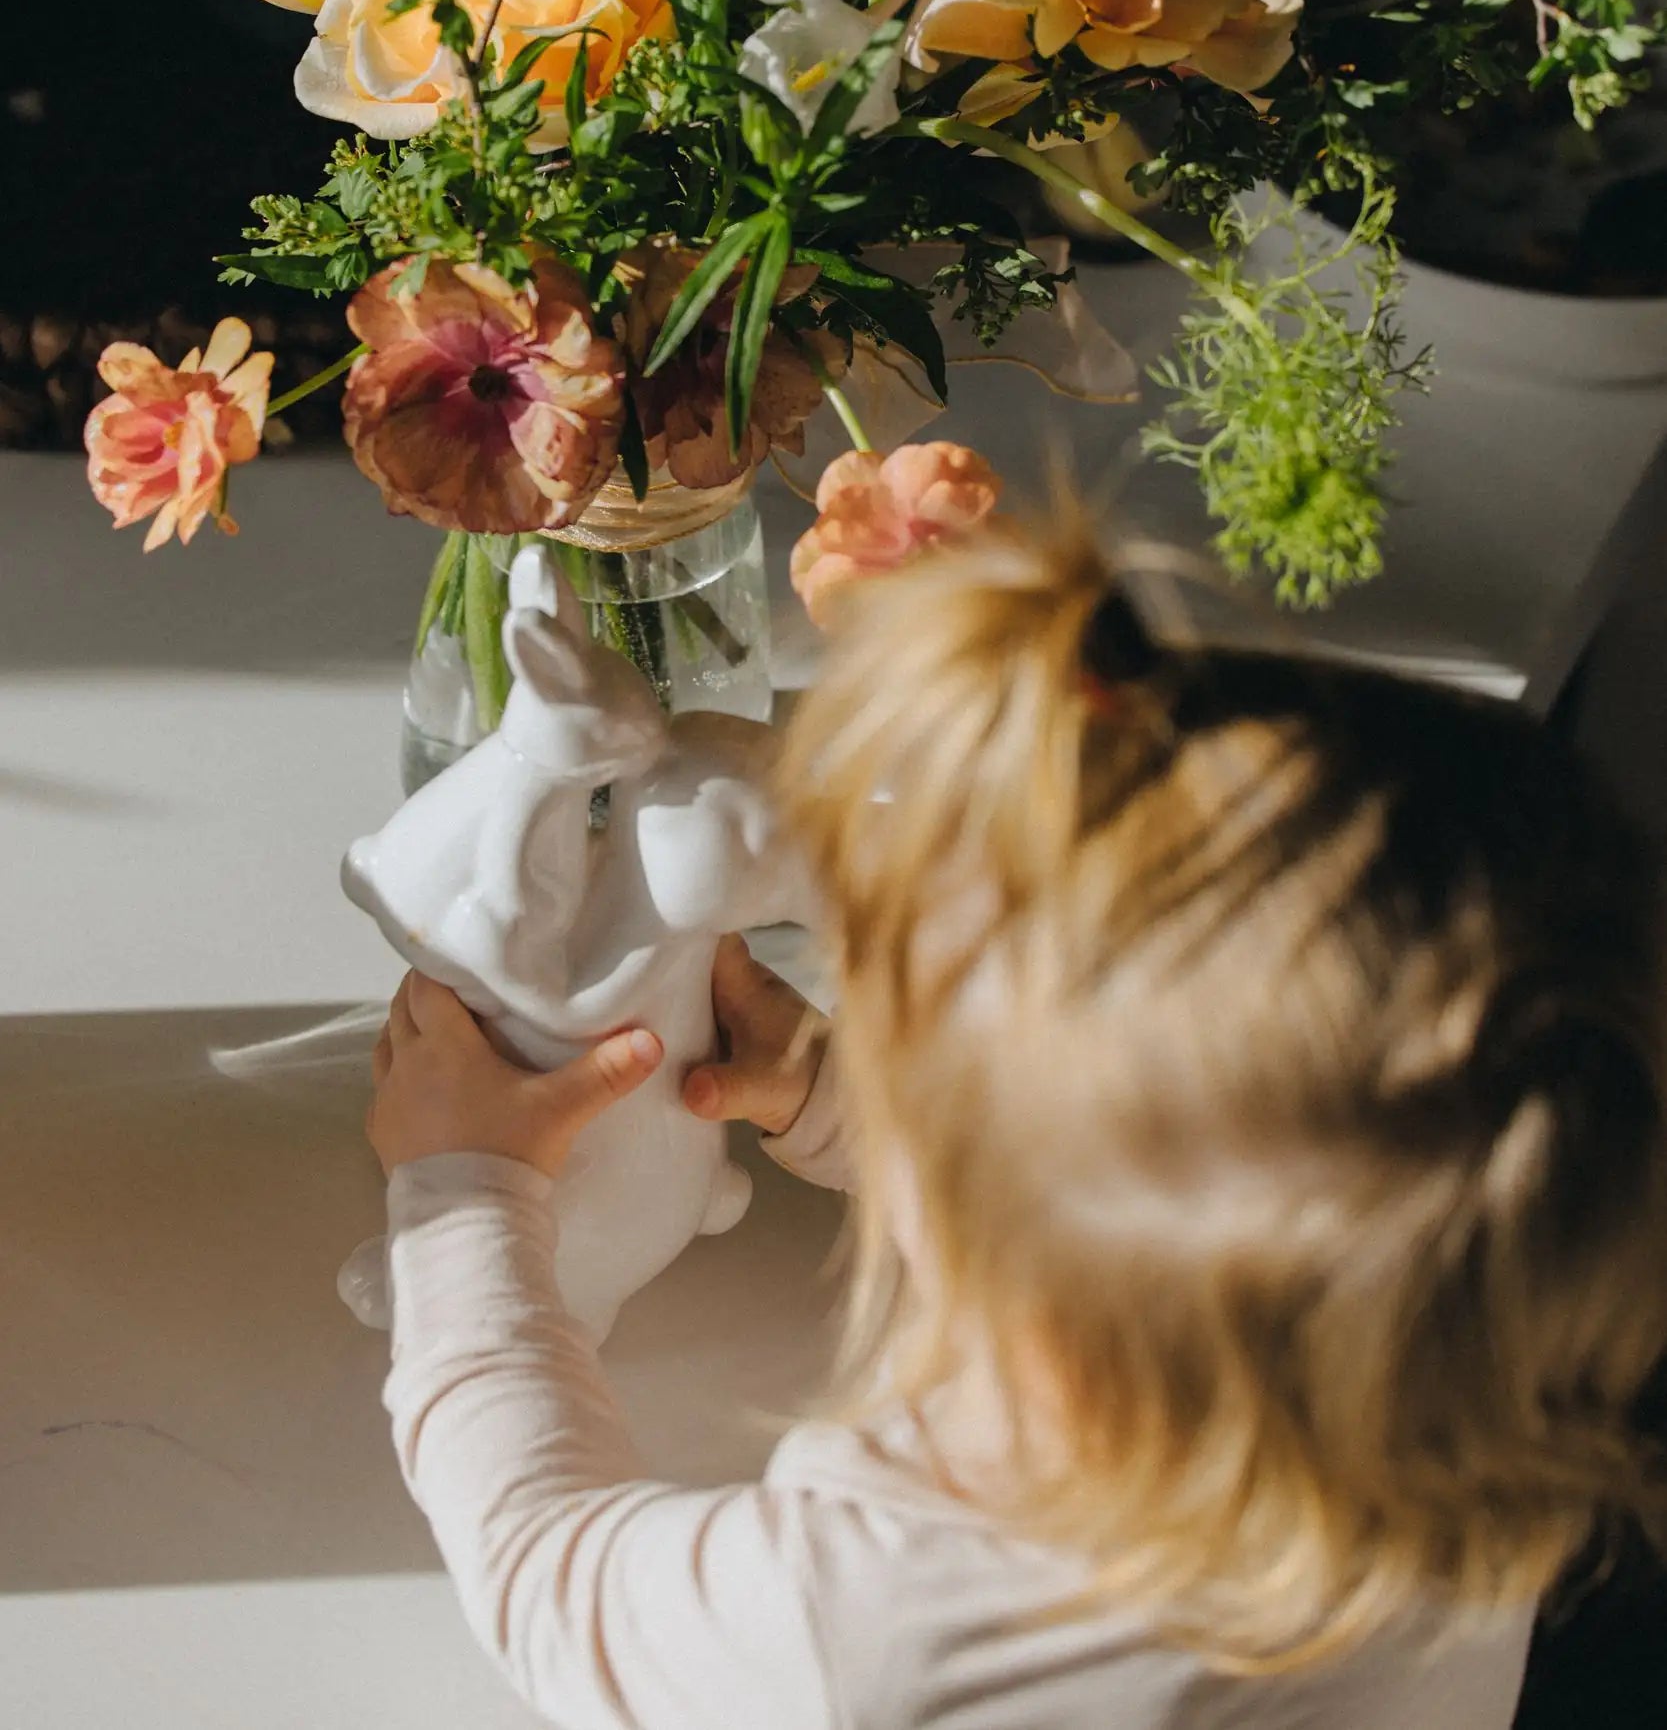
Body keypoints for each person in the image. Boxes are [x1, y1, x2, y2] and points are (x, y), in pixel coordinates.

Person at [367, 518, 1667, 1730]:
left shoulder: (889, 1606)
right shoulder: (1484, 1411)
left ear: (1056, 1311)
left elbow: (549, 1582)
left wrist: (466, 1197)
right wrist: (833, 1097)